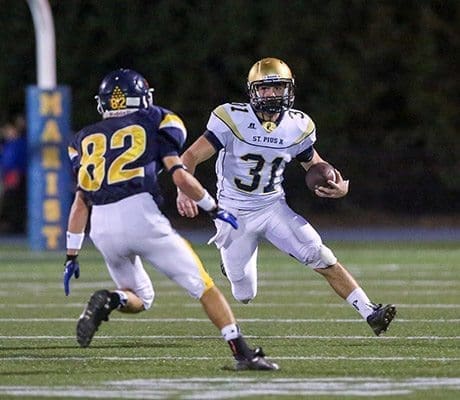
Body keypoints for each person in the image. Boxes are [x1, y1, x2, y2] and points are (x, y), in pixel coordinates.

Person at [63, 68, 278, 371]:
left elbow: (80, 202)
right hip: (141, 216)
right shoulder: (156, 120)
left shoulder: (82, 139)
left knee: (140, 297)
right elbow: (179, 174)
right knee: (205, 287)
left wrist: (71, 255)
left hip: (102, 227)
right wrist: (212, 207)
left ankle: (108, 299)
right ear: (143, 98)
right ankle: (242, 353)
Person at [176, 57, 396, 336]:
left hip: (271, 206)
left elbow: (315, 163)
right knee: (244, 291)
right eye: (264, 88)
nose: (270, 94)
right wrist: (184, 188)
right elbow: (191, 156)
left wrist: (340, 186)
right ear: (252, 91)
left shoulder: (298, 125)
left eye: (277, 87)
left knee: (319, 253)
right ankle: (229, 264)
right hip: (233, 213)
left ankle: (370, 311)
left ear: (288, 90)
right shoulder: (231, 117)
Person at [0, 116, 27, 234]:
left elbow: (13, 162)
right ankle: (12, 226)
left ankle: (16, 228)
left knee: (15, 203)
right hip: (9, 177)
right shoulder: (9, 144)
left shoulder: (19, 143)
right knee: (10, 203)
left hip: (16, 176)